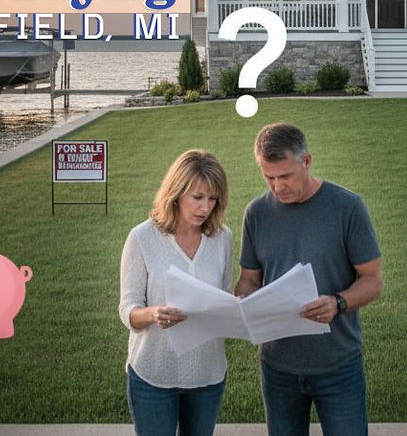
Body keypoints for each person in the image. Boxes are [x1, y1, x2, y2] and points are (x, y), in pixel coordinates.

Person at [236, 123, 382, 436]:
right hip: (277, 367)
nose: (277, 187)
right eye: (269, 177)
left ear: (307, 161)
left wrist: (338, 303)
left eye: (285, 176)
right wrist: (243, 301)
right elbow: (249, 279)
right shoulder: (256, 213)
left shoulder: (347, 207)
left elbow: (372, 280)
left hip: (338, 365)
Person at [119, 149, 232, 436]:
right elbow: (128, 310)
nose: (205, 207)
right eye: (197, 197)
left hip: (208, 373)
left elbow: (225, 295)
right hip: (154, 373)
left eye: (212, 198)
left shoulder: (222, 238)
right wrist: (154, 314)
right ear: (176, 193)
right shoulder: (142, 237)